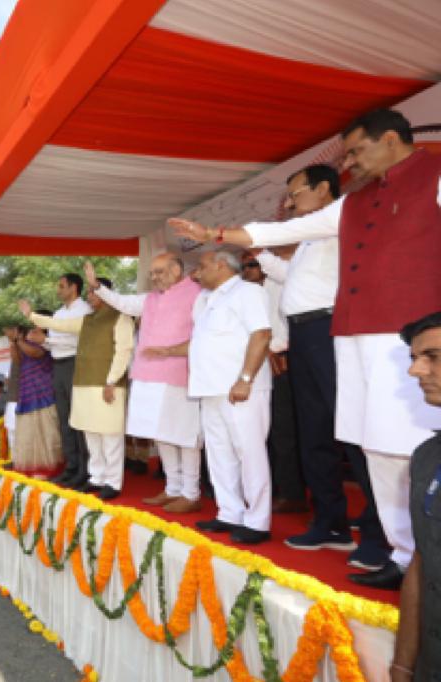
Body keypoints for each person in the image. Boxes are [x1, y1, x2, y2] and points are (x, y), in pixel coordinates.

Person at [170, 109, 441, 587]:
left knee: (406, 442)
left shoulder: (433, 177)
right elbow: (280, 234)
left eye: (357, 150)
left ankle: (422, 553)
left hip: (408, 334)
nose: (350, 163)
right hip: (349, 334)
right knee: (369, 441)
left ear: (394, 140)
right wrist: (214, 235)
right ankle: (402, 558)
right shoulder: (352, 204)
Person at [251, 164, 389, 568]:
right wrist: (259, 254)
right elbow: (294, 278)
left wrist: (249, 238)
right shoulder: (312, 238)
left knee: (350, 429)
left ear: (324, 189)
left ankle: (380, 531)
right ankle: (331, 521)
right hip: (304, 335)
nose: (291, 202)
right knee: (314, 431)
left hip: (331, 328)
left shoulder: (342, 220)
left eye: (296, 193)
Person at [151, 250, 273, 544]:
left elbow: (262, 335)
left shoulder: (248, 292)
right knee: (219, 454)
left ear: (221, 265)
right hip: (209, 388)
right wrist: (168, 351)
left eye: (202, 266)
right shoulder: (208, 299)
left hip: (240, 388)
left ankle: (257, 521)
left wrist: (245, 379)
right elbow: (200, 343)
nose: (197, 272)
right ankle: (229, 512)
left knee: (249, 452)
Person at [92, 254, 204, 513]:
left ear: (176, 270)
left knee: (184, 436)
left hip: (179, 373)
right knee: (162, 434)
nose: (154, 278)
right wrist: (98, 288)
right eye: (152, 273)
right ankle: (173, 488)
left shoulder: (197, 294)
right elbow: (124, 302)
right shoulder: (150, 299)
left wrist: (170, 352)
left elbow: (203, 335)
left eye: (159, 272)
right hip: (148, 376)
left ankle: (191, 493)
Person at [20, 277, 134, 500]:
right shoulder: (87, 320)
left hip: (107, 385)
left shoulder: (121, 318)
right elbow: (59, 325)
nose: (89, 296)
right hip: (84, 384)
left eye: (93, 292)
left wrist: (111, 381)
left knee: (109, 435)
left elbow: (124, 352)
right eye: (90, 292)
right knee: (91, 433)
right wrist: (31, 316)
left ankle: (113, 482)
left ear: (106, 294)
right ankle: (97, 477)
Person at [239, 248, 308, 515]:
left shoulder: (278, 286)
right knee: (262, 431)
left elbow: (286, 328)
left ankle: (293, 493)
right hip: (256, 366)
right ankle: (275, 488)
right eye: (244, 267)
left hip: (280, 362)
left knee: (283, 431)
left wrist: (270, 350)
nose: (248, 271)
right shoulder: (246, 294)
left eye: (253, 264)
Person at [392, 311, 441, 682]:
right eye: (414, 358)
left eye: (433, 357)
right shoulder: (426, 457)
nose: (416, 371)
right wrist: (403, 666)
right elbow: (422, 562)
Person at [48, 273, 92, 489]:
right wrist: (45, 341)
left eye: (62, 285)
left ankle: (85, 470)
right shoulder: (57, 313)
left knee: (79, 420)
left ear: (74, 287)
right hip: (57, 365)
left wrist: (47, 339)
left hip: (75, 363)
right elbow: (56, 343)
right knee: (64, 420)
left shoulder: (84, 309)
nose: (59, 290)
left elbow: (72, 339)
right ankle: (71, 466)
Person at [6, 320, 64, 479]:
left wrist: (19, 340)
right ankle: (32, 468)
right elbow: (18, 360)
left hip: (43, 393)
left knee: (47, 434)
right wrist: (13, 343)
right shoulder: (25, 341)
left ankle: (51, 469)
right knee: (29, 435)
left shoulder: (45, 340)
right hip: (27, 393)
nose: (32, 328)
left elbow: (34, 353)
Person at [2, 327, 21, 454]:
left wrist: (13, 341)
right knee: (11, 432)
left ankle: (20, 463)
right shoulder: (16, 347)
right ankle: (15, 462)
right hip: (12, 398)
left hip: (21, 399)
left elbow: (18, 360)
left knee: (18, 434)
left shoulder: (24, 347)